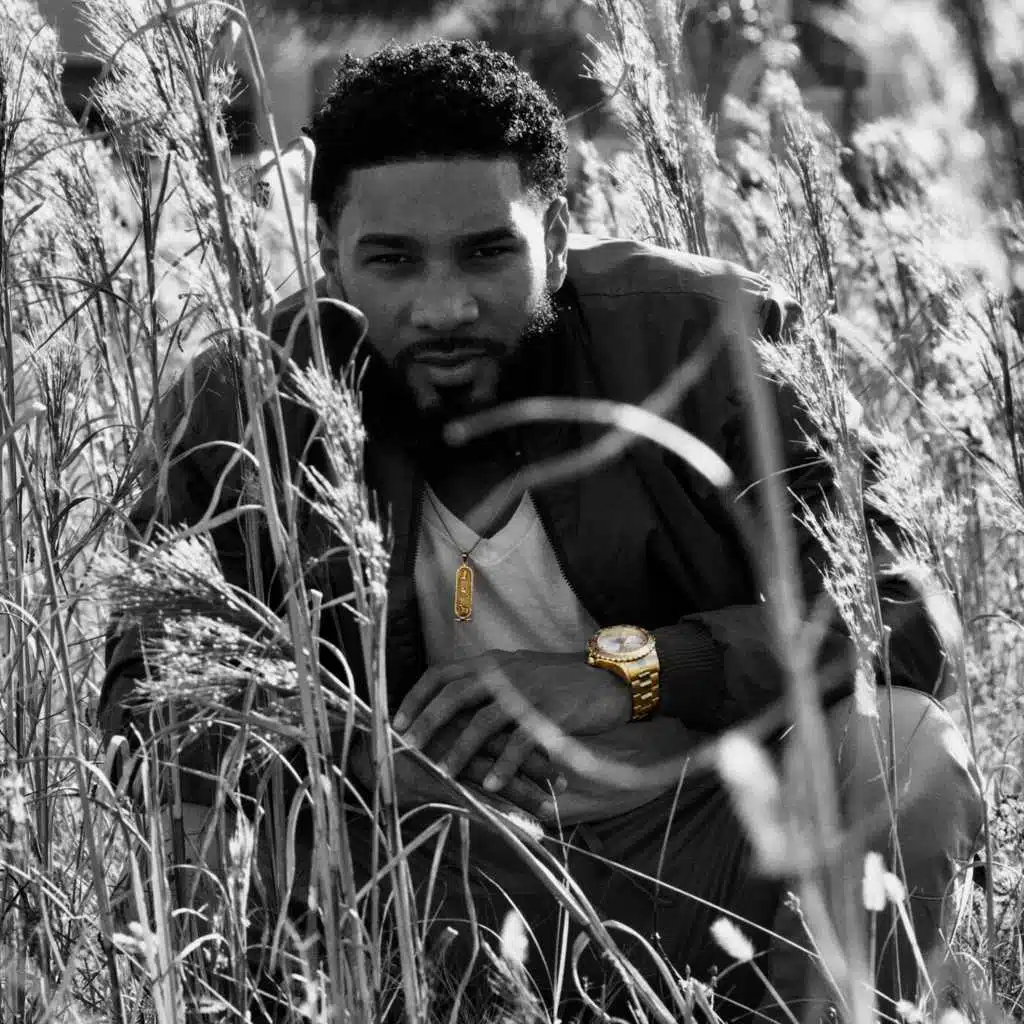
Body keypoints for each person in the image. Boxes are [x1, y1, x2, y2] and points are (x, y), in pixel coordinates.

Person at [97, 39, 984, 1023]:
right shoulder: (246, 398)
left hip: (705, 850)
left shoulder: (707, 334)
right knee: (184, 830)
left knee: (908, 748)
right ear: (330, 256)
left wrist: (636, 672)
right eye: (392, 260)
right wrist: (359, 754)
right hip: (418, 873)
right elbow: (147, 697)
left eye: (488, 252)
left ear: (554, 236)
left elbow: (902, 611)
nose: (443, 305)